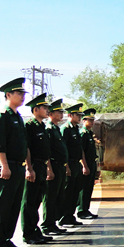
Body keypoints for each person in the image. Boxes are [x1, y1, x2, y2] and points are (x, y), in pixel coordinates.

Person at [0, 78, 29, 247]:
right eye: (19, 93)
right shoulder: (2, 116)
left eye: (23, 94)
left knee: (14, 206)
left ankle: (6, 239)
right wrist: (4, 166)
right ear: (8, 95)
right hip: (6, 167)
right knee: (3, 207)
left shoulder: (17, 117)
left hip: (18, 167)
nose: (22, 96)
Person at [21, 93, 54, 244]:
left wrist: (48, 168)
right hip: (34, 165)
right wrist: (29, 168)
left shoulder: (42, 126)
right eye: (44, 108)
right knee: (29, 202)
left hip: (41, 166)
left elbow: (45, 150)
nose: (47, 110)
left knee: (37, 201)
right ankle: (28, 233)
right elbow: (27, 148)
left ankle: (35, 230)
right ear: (35, 110)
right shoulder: (29, 126)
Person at [59, 103, 90, 227]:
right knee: (67, 193)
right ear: (70, 115)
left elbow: (80, 149)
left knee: (75, 192)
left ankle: (70, 216)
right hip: (69, 163)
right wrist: (66, 166)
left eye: (81, 115)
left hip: (76, 164)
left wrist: (83, 165)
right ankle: (63, 218)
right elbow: (63, 150)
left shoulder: (75, 129)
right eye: (78, 115)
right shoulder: (65, 129)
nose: (80, 117)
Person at [42, 99, 69, 235]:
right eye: (59, 112)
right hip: (53, 166)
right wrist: (49, 168)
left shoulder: (56, 129)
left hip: (60, 166)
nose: (61, 114)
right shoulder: (49, 129)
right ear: (51, 114)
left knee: (57, 196)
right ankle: (47, 224)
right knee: (50, 197)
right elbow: (47, 151)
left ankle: (53, 223)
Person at [77, 108, 99, 220]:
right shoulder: (83, 133)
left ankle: (86, 209)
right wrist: (84, 166)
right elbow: (81, 152)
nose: (91, 122)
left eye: (92, 120)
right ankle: (81, 210)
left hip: (92, 162)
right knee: (84, 188)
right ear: (84, 120)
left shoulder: (90, 133)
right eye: (89, 120)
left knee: (89, 187)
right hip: (86, 163)